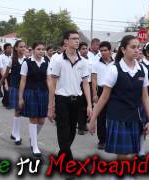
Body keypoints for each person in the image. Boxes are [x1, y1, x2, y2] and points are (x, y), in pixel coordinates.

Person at [89, 35, 149, 180]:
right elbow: (104, 97)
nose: (137, 50)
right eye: (133, 47)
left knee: (130, 152)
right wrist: (93, 119)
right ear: (123, 50)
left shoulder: (143, 70)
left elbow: (145, 96)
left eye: (138, 47)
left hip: (135, 116)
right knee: (124, 153)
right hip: (117, 116)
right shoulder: (114, 69)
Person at [48, 30, 92, 175]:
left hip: (77, 100)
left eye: (78, 38)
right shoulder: (58, 60)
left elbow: (86, 83)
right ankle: (70, 163)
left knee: (72, 131)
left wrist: (90, 105)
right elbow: (53, 83)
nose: (77, 41)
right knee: (63, 131)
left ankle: (60, 159)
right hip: (62, 100)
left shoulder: (84, 61)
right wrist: (51, 105)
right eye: (73, 38)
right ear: (66, 41)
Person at [19, 42, 49, 157]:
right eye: (38, 49)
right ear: (33, 50)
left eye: (42, 49)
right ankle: (35, 146)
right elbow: (23, 80)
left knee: (41, 120)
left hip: (43, 93)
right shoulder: (27, 63)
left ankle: (33, 138)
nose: (41, 51)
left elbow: (48, 79)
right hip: (30, 92)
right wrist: (20, 97)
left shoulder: (46, 62)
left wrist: (52, 95)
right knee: (33, 119)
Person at [0, 40, 26, 145]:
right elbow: (5, 75)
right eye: (21, 47)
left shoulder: (28, 60)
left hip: (26, 89)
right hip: (15, 87)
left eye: (24, 47)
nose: (23, 49)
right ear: (16, 48)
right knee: (18, 111)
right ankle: (17, 135)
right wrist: (1, 85)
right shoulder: (11, 60)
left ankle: (14, 132)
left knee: (22, 111)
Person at [91, 41, 114, 149]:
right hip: (101, 90)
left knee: (113, 117)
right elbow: (94, 79)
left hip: (113, 91)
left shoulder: (116, 63)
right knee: (101, 116)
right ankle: (102, 140)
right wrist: (95, 94)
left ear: (110, 50)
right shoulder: (96, 64)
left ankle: (112, 139)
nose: (103, 52)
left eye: (105, 50)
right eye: (101, 51)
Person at [77, 42, 93, 135]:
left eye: (86, 48)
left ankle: (84, 124)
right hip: (81, 84)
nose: (85, 50)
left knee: (87, 105)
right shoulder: (79, 60)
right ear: (79, 50)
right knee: (80, 106)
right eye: (82, 49)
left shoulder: (90, 59)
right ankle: (80, 127)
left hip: (89, 83)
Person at [0, 43, 13, 108]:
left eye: (11, 48)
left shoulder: (13, 56)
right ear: (5, 49)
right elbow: (1, 67)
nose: (10, 49)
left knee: (11, 89)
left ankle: (5, 101)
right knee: (6, 89)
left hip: (11, 75)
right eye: (8, 48)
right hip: (3, 74)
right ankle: (8, 103)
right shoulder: (1, 57)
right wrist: (3, 76)